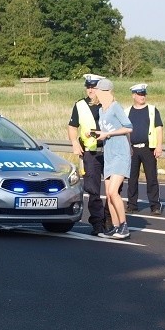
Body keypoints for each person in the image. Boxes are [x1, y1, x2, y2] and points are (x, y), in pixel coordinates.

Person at [67, 74, 109, 235]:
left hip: (110, 150)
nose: (90, 90)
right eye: (88, 87)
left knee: (114, 190)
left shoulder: (109, 104)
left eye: (94, 87)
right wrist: (75, 143)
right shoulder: (80, 105)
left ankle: (110, 218)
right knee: (93, 190)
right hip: (91, 152)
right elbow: (72, 126)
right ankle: (97, 223)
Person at [92, 78, 133, 239]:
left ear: (105, 91)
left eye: (97, 90)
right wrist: (97, 135)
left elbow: (128, 127)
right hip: (109, 155)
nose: (94, 92)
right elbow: (105, 132)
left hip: (120, 154)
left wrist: (108, 133)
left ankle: (124, 226)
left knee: (113, 191)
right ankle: (115, 227)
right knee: (108, 194)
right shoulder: (102, 110)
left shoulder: (116, 107)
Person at [126, 83, 164, 215]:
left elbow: (159, 128)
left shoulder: (152, 110)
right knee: (131, 178)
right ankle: (132, 205)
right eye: (140, 94)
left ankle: (155, 205)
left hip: (148, 148)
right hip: (132, 150)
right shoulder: (127, 111)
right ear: (134, 96)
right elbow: (124, 131)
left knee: (152, 178)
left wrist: (159, 145)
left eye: (144, 94)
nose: (142, 97)